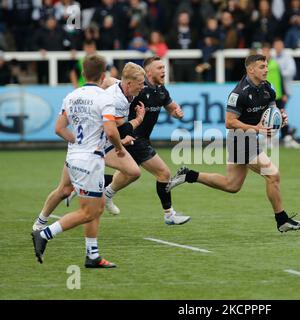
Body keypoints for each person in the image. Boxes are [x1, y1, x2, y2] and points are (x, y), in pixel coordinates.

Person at [166, 54, 300, 233]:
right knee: (273, 175)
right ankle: (282, 220)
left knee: (231, 185)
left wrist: (281, 117)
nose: (266, 69)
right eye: (262, 67)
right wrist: (256, 129)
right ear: (250, 69)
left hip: (249, 139)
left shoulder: (268, 88)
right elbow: (229, 122)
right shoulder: (239, 93)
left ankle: (189, 175)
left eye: (266, 66)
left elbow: (272, 111)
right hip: (240, 140)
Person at [31, 54, 125, 268]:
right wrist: (119, 148)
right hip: (90, 161)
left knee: (98, 205)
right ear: (105, 75)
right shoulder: (104, 98)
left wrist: (76, 141)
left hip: (74, 157)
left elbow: (59, 128)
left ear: (83, 74)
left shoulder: (72, 96)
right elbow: (111, 131)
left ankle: (92, 255)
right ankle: (44, 234)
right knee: (89, 211)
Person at [32, 62, 145, 231]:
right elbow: (118, 130)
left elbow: (108, 81)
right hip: (95, 146)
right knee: (66, 191)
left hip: (96, 143)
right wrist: (138, 120)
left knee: (134, 172)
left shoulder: (114, 84)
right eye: (140, 84)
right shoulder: (113, 100)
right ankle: (41, 224)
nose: (142, 87)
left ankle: (106, 195)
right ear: (129, 83)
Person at [101, 56, 190, 225]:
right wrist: (94, 90)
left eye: (164, 67)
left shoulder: (162, 90)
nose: (163, 70)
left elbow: (170, 106)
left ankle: (97, 189)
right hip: (133, 138)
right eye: (159, 68)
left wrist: (176, 112)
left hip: (143, 139)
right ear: (148, 72)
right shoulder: (137, 87)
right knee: (163, 173)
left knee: (128, 173)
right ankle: (169, 214)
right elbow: (112, 82)